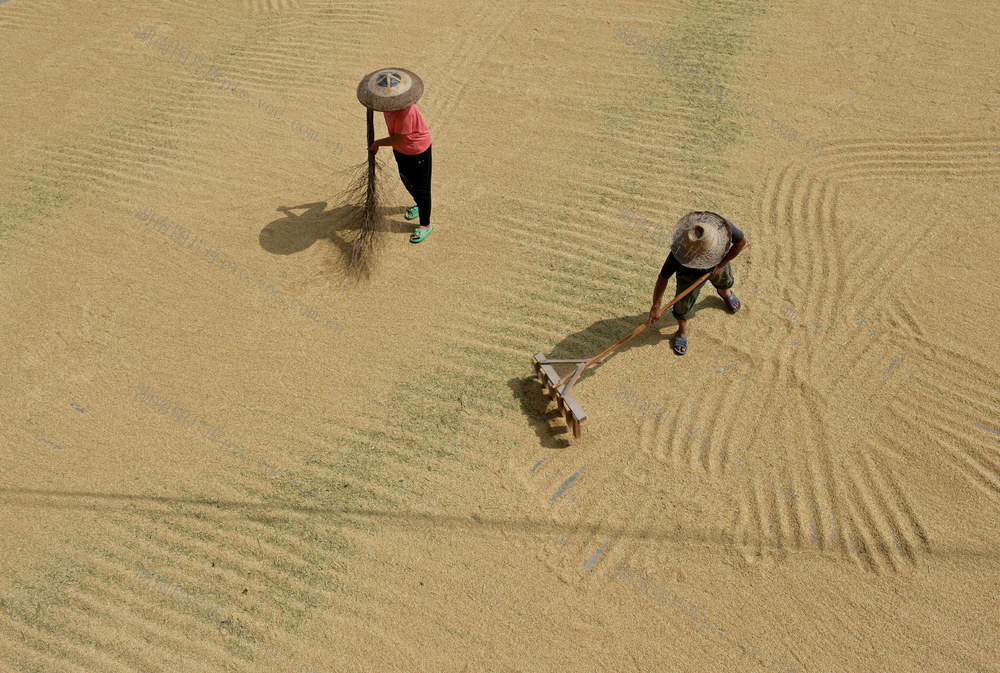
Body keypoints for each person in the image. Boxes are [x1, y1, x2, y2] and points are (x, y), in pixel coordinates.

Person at [647, 212, 747, 355]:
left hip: (718, 264)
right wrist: (656, 306)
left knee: (724, 280)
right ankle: (682, 330)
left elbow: (741, 243)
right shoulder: (679, 251)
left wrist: (721, 265)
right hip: (689, 275)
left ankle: (724, 293)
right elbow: (663, 277)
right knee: (683, 304)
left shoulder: (721, 227)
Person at [368, 104, 433, 243]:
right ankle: (420, 205)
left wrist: (377, 143)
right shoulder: (387, 106)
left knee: (422, 188)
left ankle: (425, 224)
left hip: (417, 151)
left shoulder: (406, 113)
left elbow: (398, 138)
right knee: (406, 180)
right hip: (401, 150)